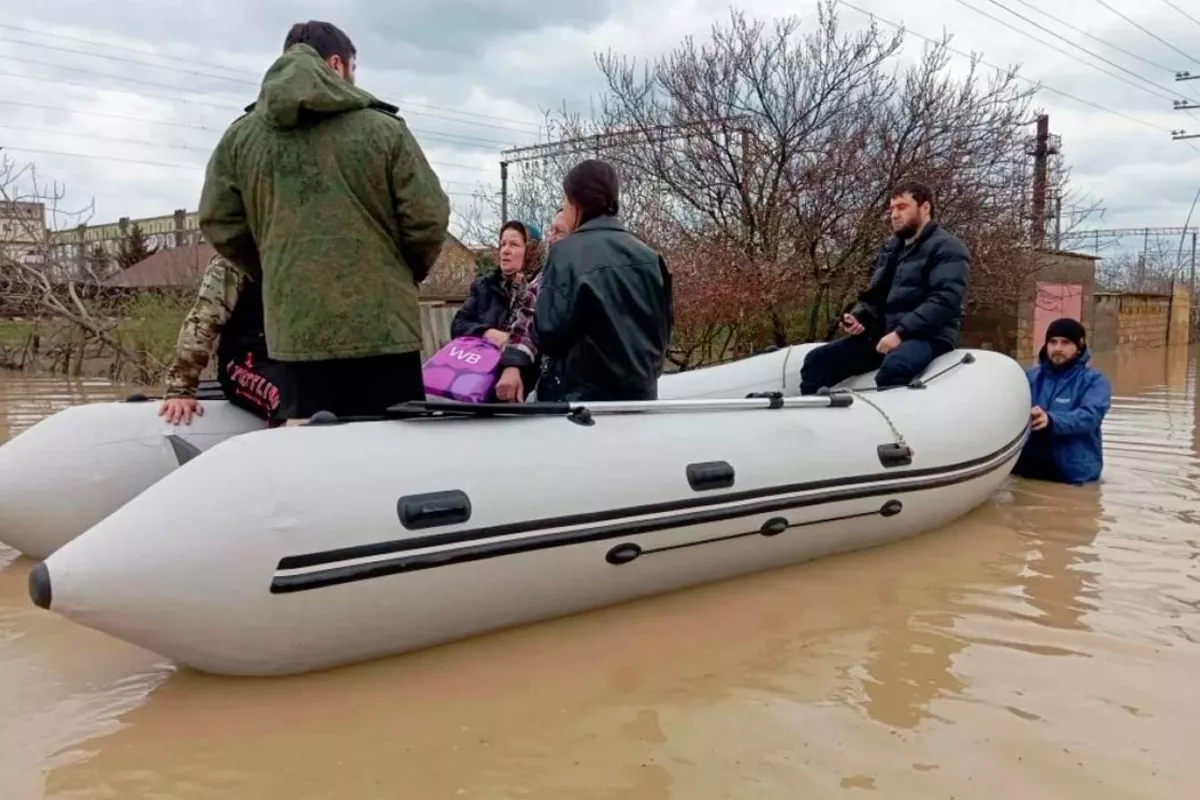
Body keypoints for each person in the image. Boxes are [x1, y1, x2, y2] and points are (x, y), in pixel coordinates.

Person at [198, 20, 450, 421]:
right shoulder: (383, 130)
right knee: (397, 462)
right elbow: (429, 218)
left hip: (295, 336)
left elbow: (218, 221)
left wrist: (275, 271)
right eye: (354, 68)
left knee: (316, 464)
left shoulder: (240, 139)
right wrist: (404, 273)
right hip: (385, 332)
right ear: (337, 65)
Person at [799, 180, 970, 394]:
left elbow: (945, 301)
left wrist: (900, 333)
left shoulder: (948, 248)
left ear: (925, 208)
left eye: (902, 207)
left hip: (929, 336)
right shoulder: (891, 249)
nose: (894, 215)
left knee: (894, 368)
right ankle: (814, 420)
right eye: (892, 209)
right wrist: (860, 317)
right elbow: (874, 296)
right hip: (886, 334)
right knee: (817, 361)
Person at [528, 160, 673, 402]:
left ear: (576, 203)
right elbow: (662, 334)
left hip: (578, 405)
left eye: (565, 201)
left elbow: (548, 332)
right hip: (640, 400)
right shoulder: (650, 257)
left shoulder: (566, 253)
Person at [159, 254, 290, 427]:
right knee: (292, 401)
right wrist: (181, 388)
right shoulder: (235, 259)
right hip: (248, 361)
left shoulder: (314, 259)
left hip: (298, 361)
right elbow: (203, 320)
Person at [1013, 318, 1111, 485]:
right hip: (1025, 473)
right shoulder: (1030, 377)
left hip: (1073, 476)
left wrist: (1051, 420)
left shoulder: (1094, 380)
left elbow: (1090, 416)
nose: (1058, 348)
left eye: (1065, 343)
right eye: (1053, 342)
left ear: (1079, 347)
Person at [495, 208, 570, 402]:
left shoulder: (563, 275)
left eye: (558, 232)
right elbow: (528, 321)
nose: (551, 238)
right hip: (529, 378)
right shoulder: (486, 284)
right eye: (502, 244)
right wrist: (488, 334)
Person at [450, 220, 542, 347]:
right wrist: (487, 333)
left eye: (514, 244)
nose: (505, 250)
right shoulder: (484, 286)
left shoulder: (542, 288)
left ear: (531, 251)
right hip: (484, 361)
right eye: (502, 244)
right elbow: (458, 325)